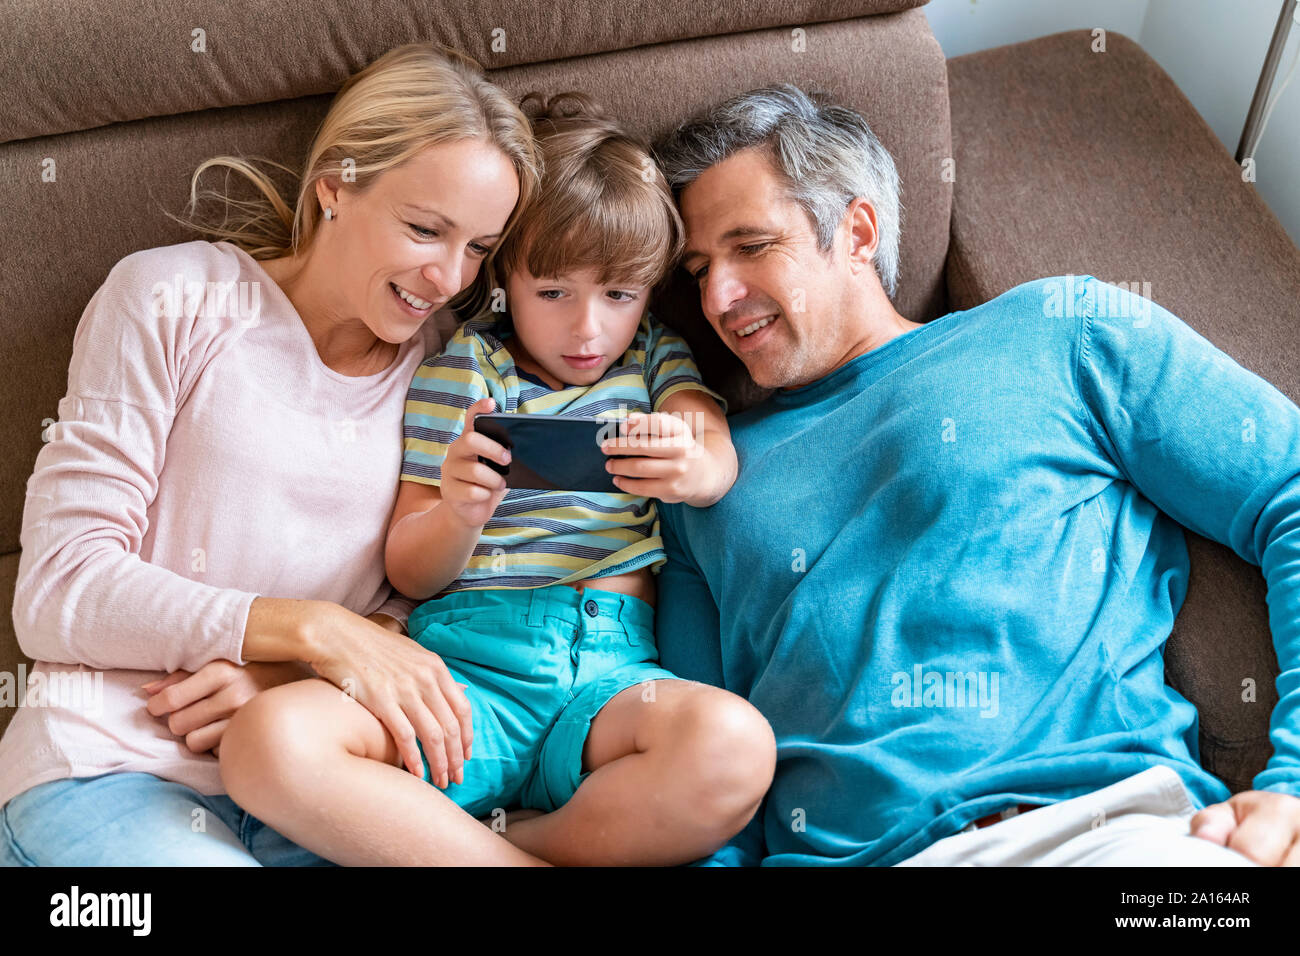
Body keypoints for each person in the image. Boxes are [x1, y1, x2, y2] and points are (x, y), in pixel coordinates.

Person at [650, 84, 1300, 866]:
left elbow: (1288, 490)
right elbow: (699, 774)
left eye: (750, 247)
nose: (718, 298)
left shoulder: (1063, 332)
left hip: (1107, 836)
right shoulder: (700, 487)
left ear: (856, 231)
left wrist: (1292, 783)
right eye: (698, 270)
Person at [0, 43, 543, 866]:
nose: (447, 276)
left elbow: (415, 608)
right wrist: (311, 630)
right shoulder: (173, 298)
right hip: (106, 769)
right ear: (336, 184)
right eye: (424, 229)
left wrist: (285, 680)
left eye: (478, 248)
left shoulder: (450, 367)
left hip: (314, 785)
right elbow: (59, 588)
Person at [219, 94, 776, 867]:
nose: (588, 329)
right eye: (554, 293)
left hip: (609, 681)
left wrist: (694, 463)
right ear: (504, 275)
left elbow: (712, 452)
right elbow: (409, 567)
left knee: (735, 746)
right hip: (465, 676)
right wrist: (458, 511)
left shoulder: (654, 355)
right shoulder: (463, 371)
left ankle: (497, 847)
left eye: (619, 294)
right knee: (266, 740)